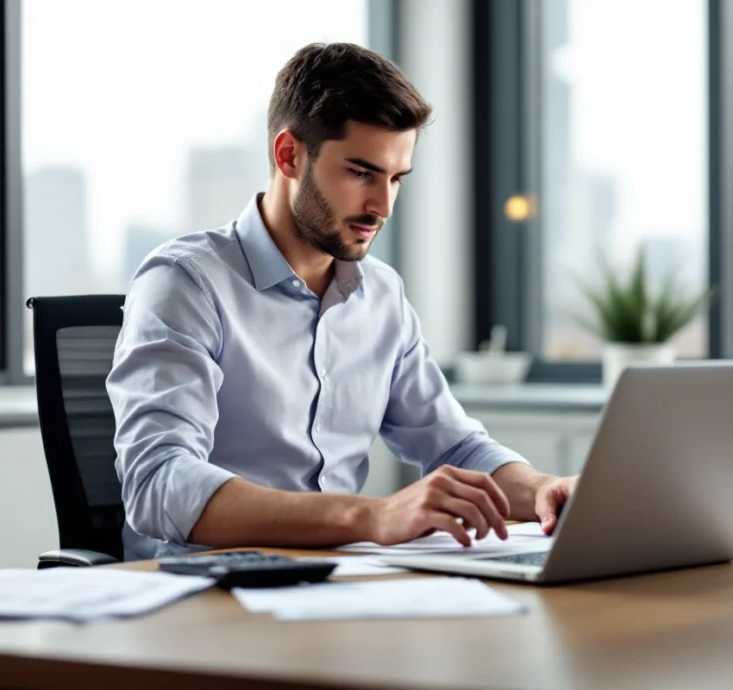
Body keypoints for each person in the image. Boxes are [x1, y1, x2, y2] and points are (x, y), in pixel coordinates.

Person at [106, 42, 577, 561]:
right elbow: (159, 482)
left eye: (396, 178)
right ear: (288, 155)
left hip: (341, 584)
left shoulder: (381, 296)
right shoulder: (186, 283)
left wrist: (540, 491)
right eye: (361, 173)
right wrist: (372, 516)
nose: (383, 206)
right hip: (204, 595)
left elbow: (455, 447)